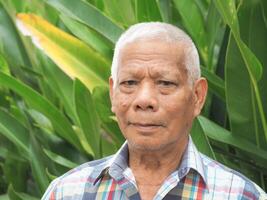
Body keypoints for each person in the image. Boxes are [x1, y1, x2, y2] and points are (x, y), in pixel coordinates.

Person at [42, 22, 267, 200]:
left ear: (197, 96)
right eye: (129, 83)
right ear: (112, 93)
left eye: (165, 83)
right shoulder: (67, 192)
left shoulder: (239, 195)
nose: (144, 100)